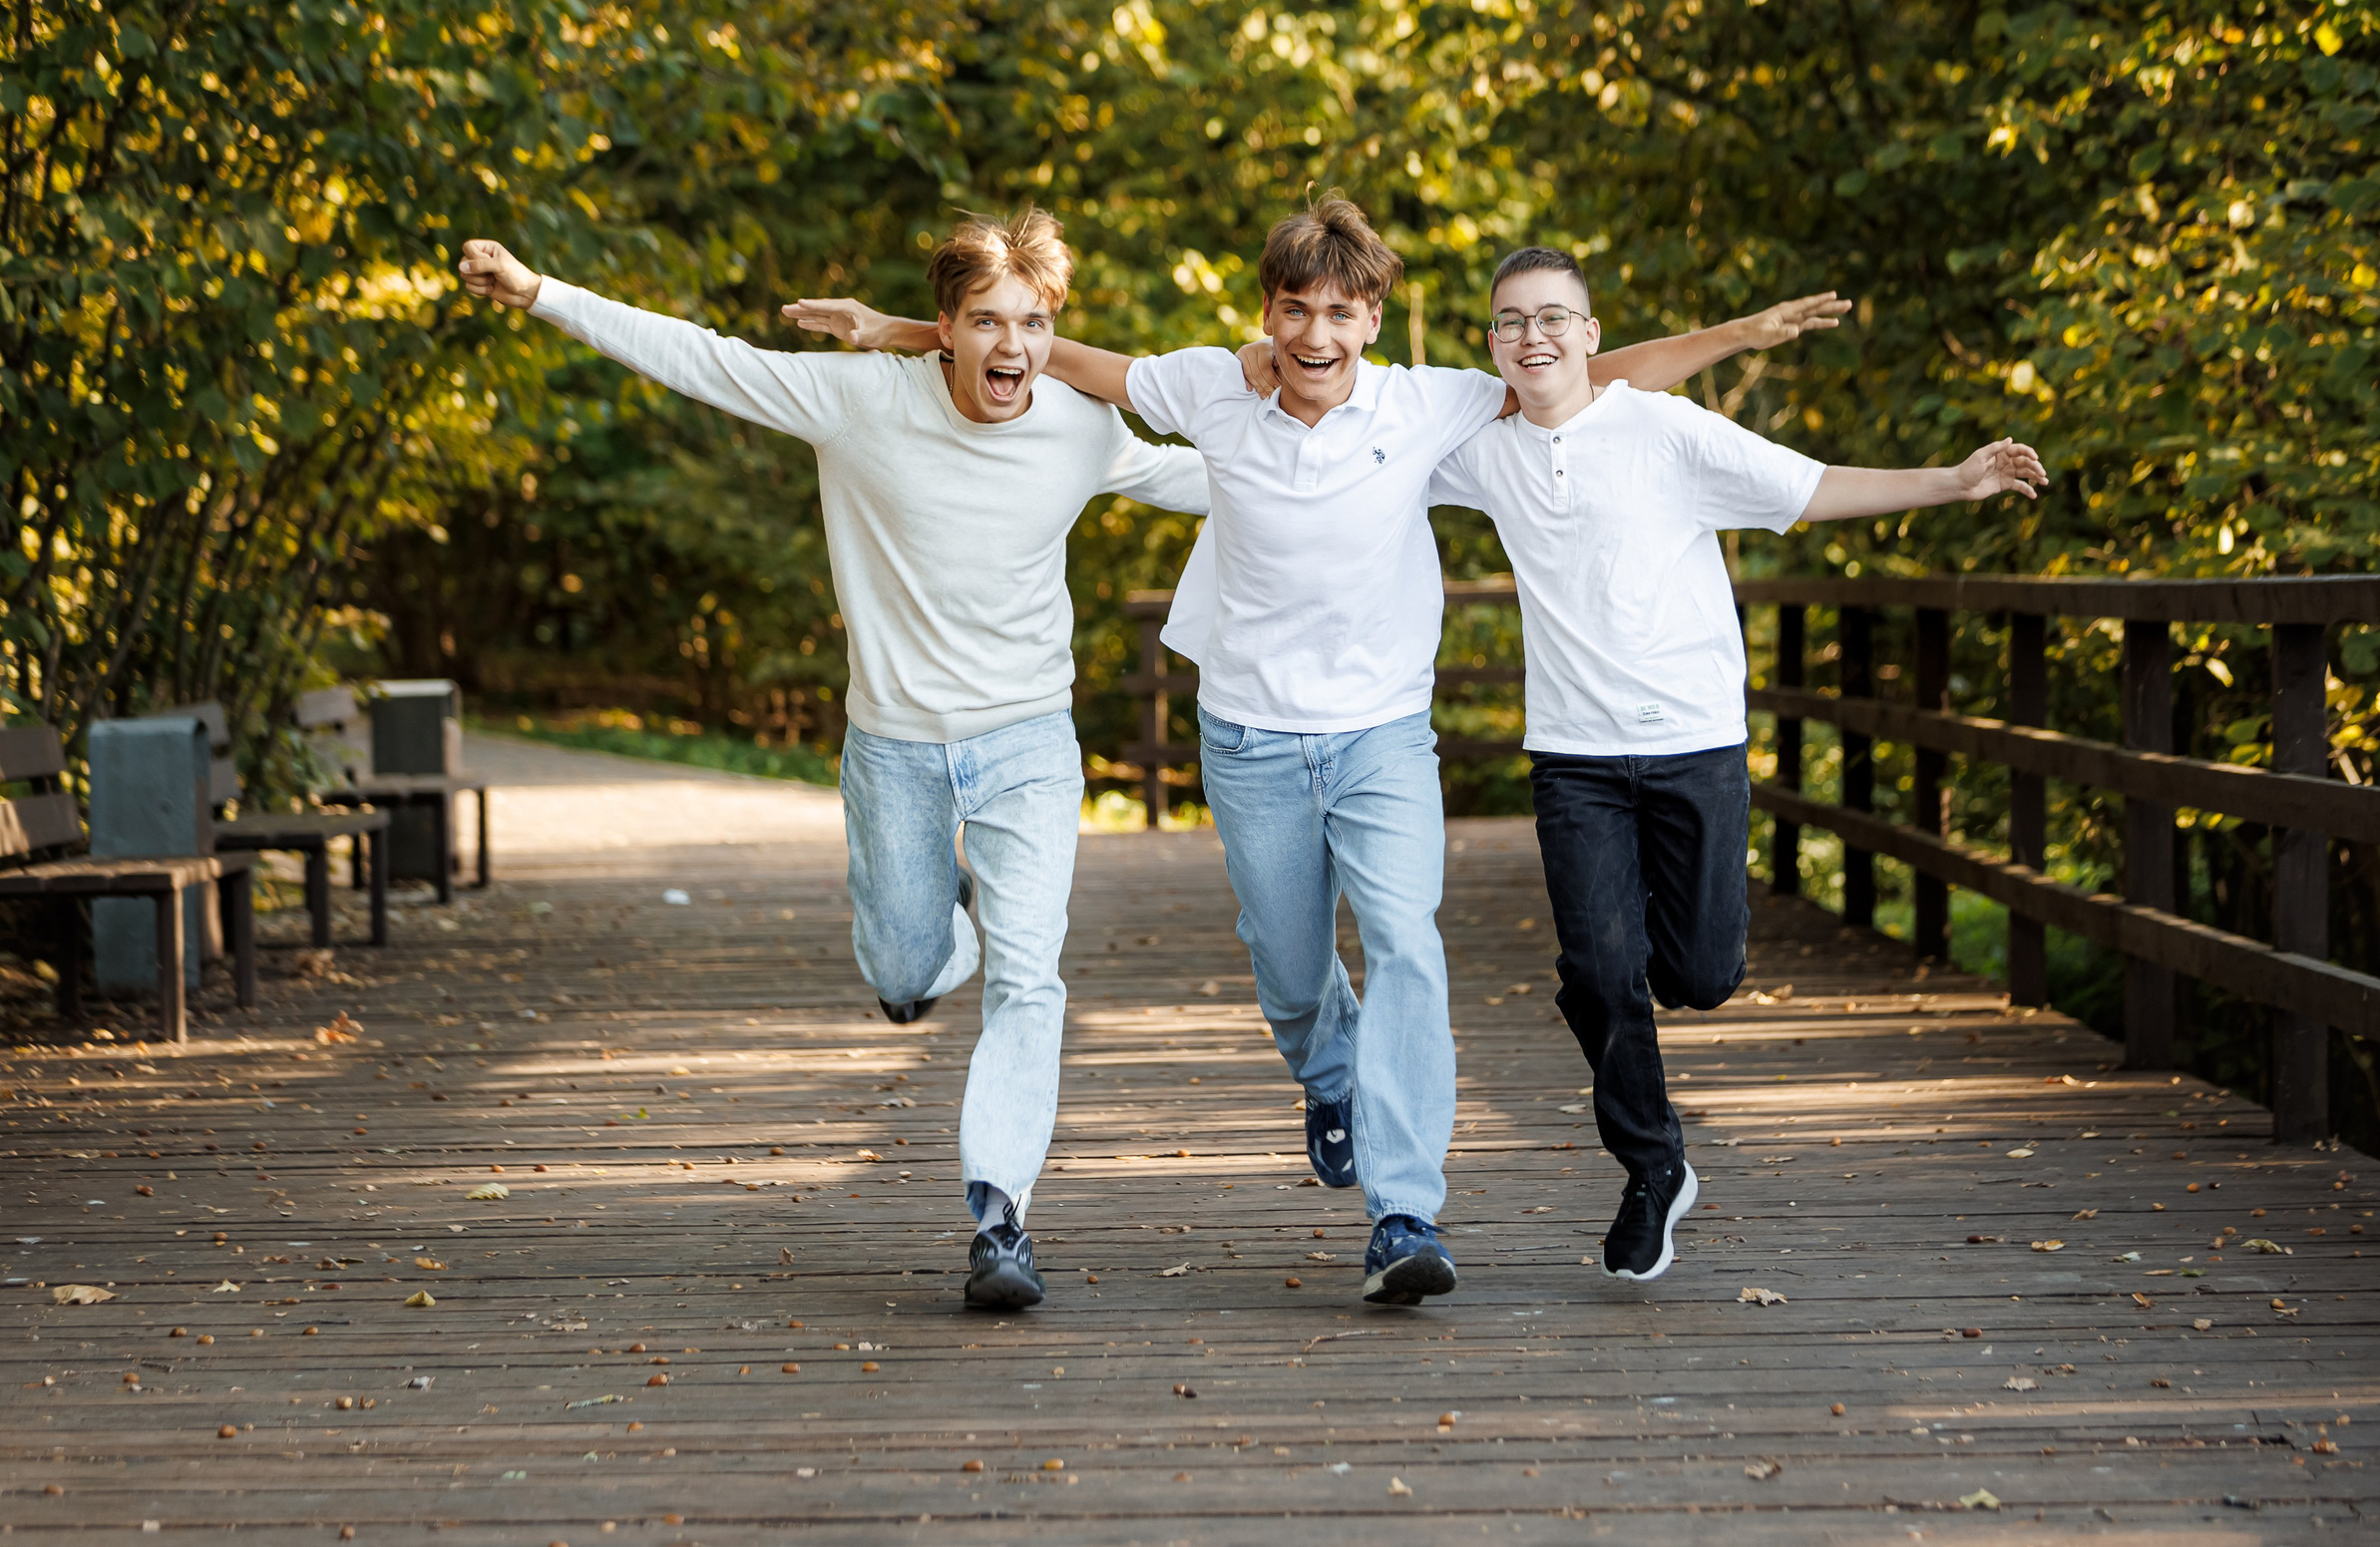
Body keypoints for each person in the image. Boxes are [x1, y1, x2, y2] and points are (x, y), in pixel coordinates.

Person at [823, 193, 1848, 1307]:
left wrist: (1736, 336)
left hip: (1383, 740)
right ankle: (1329, 1079)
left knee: (1408, 943)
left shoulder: (1431, 405)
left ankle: (1404, 1212)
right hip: (1252, 742)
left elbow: (1588, 378)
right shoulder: (1211, 384)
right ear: (1266, 310)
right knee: (1292, 967)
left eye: (1342, 313)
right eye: (1295, 309)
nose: (1315, 336)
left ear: (1372, 320)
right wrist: (904, 330)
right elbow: (1060, 352)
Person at [455, 211, 1211, 1311]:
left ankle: (1000, 1218)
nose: (1014, 348)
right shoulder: (858, 402)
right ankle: (933, 936)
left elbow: (1203, 481)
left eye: (1036, 324)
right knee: (905, 968)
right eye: (988, 322)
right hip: (896, 749)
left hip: (1029, 743)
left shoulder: (1079, 429)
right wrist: (542, 295)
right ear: (943, 328)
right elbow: (704, 361)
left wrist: (1386, 464)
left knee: (1030, 971)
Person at [1432, 245, 2047, 1281]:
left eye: (1552, 319)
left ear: (1590, 336)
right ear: (1491, 345)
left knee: (1701, 975)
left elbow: (1805, 490)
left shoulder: (1664, 429)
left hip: (1693, 744)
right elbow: (1350, 446)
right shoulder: (1477, 449)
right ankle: (1652, 1163)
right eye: (1507, 322)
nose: (1530, 336)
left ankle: (1649, 1001)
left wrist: (1954, 481)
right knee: (1596, 969)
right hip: (1574, 757)